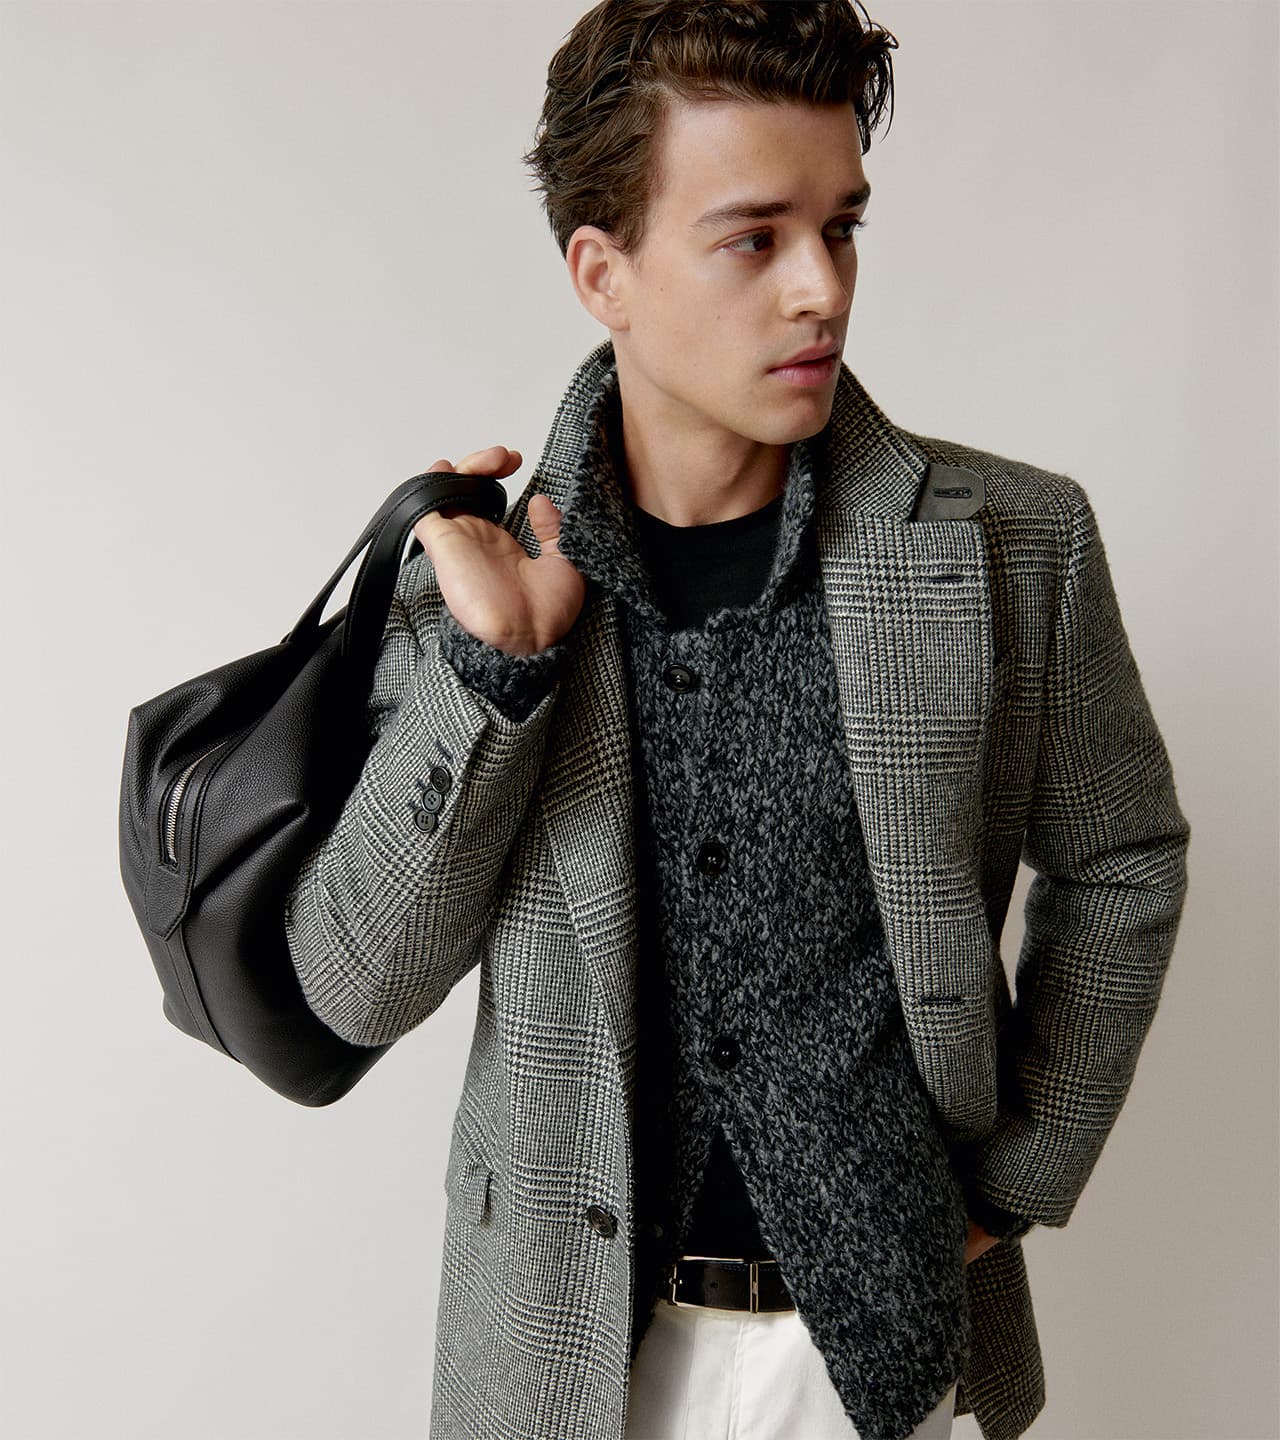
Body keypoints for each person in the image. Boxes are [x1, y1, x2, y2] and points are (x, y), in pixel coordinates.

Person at [283, 3, 1191, 1437]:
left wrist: (1018, 1177)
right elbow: (352, 982)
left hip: (888, 1369)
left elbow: (1124, 859)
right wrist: (495, 681)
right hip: (566, 1373)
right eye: (754, 238)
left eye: (844, 228)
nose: (821, 289)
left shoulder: (1015, 544)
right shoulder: (467, 585)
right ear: (604, 272)